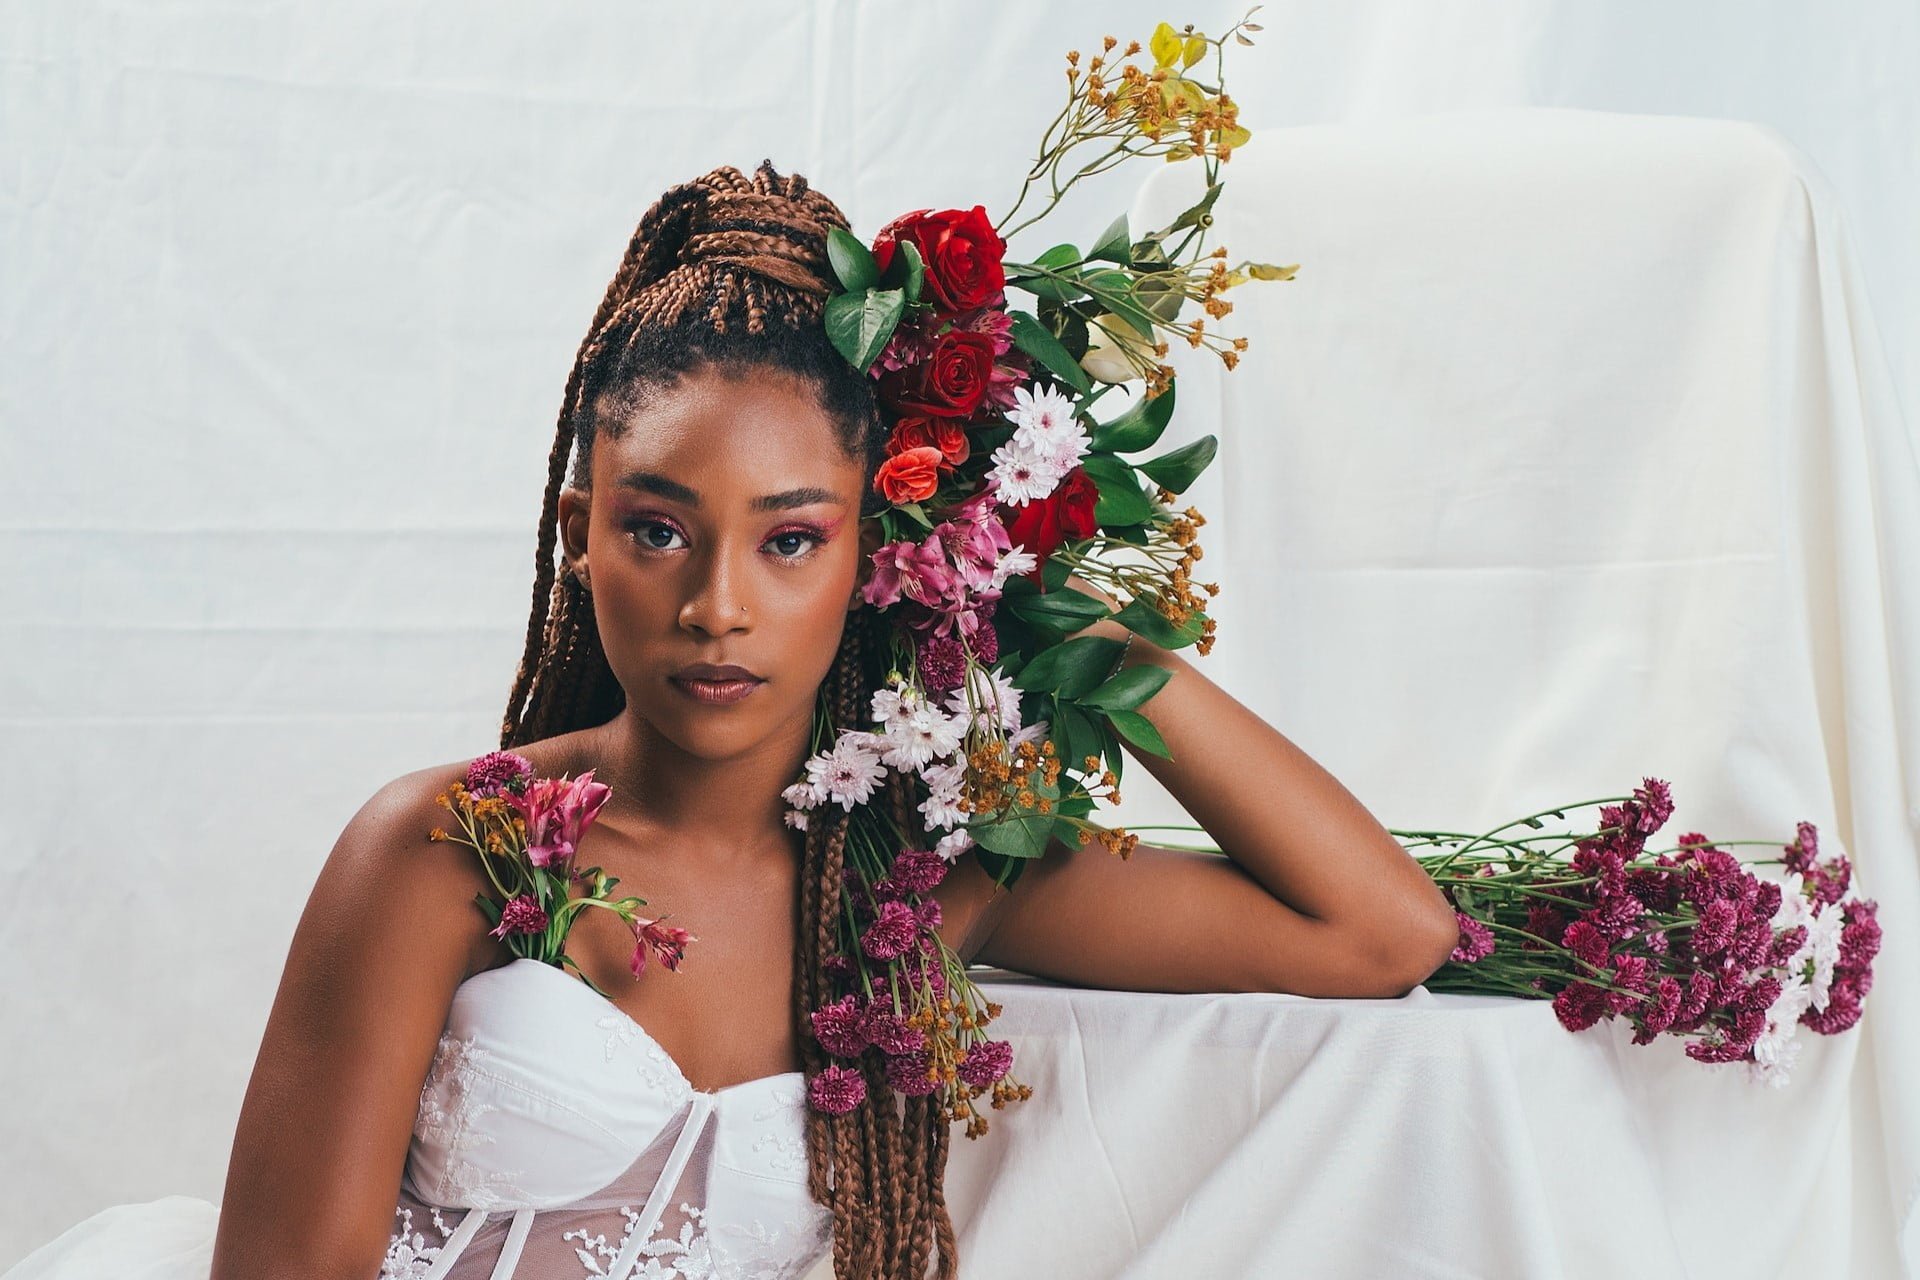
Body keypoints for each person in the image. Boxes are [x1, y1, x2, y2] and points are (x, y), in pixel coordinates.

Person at [3, 160, 1460, 1280]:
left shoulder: (923, 879)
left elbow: (1380, 934)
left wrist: (1065, 621)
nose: (717, 606)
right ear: (580, 535)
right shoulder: (449, 847)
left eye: (790, 540)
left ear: (879, 551)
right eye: (657, 530)